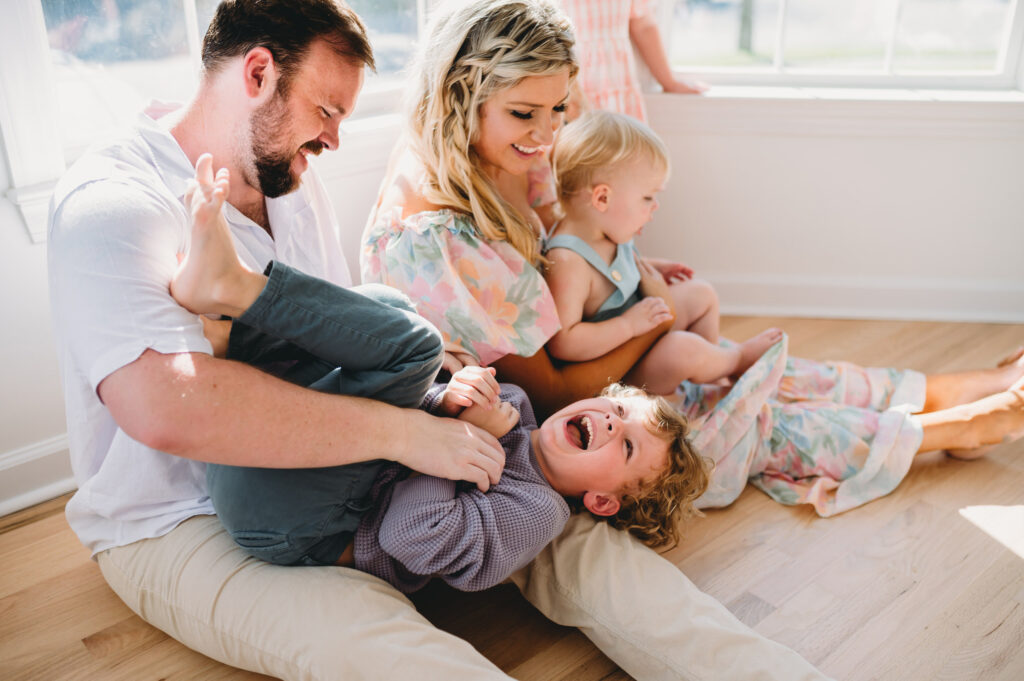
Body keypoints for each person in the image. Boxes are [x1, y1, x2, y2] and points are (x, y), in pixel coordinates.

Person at [362, 0, 1024, 669]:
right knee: (744, 413)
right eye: (526, 114)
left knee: (747, 370)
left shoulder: (502, 150)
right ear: (458, 96)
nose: (548, 132)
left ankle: (940, 391)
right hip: (548, 419)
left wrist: (641, 279)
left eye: (559, 108)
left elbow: (570, 245)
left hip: (591, 379)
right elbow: (558, 387)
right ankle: (942, 427)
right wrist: (659, 314)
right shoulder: (440, 237)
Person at [172, 165, 707, 588]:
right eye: (616, 410)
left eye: (629, 447)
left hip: (296, 519)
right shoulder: (515, 406)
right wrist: (446, 397)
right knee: (393, 306)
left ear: (602, 502)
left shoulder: (536, 512)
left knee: (415, 344)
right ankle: (229, 336)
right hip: (266, 446)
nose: (612, 424)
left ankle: (236, 294)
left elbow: (408, 536)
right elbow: (406, 415)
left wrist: (463, 435)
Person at [544, 109, 783, 392]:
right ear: (602, 197)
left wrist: (652, 267)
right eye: (647, 197)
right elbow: (564, 342)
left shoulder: (602, 229)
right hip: (621, 370)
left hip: (642, 334)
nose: (655, 206)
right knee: (683, 349)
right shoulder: (567, 261)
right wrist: (629, 325)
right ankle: (734, 360)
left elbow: (611, 273)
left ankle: (713, 372)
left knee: (701, 294)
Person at [560, 0, 707, 123]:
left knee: (624, 150)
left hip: (616, 79)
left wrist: (669, 82)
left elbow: (643, 25)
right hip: (569, 82)